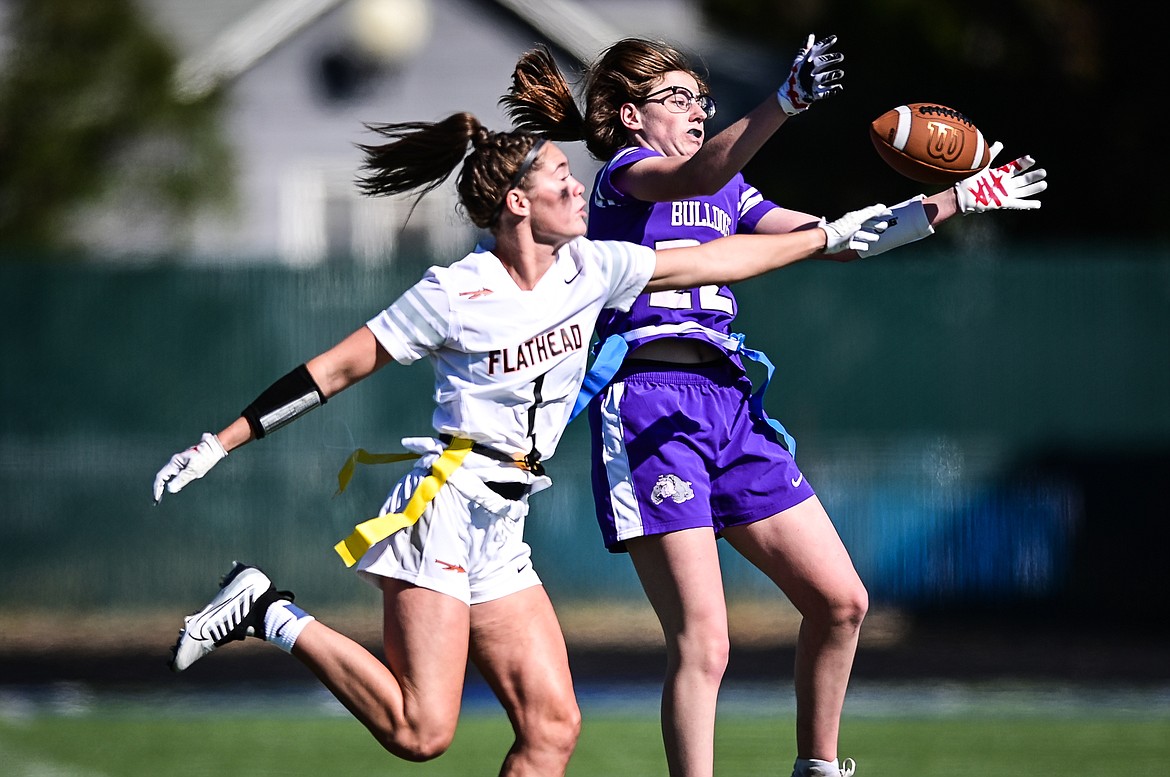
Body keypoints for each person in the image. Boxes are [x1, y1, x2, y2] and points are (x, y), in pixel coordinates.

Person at [151, 111, 894, 777]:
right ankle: (267, 610)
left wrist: (824, 236)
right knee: (421, 730)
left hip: (504, 525)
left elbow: (716, 260)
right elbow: (333, 369)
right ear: (517, 203)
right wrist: (219, 443)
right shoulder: (454, 291)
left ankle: (264, 610)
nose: (580, 192)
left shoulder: (591, 266)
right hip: (442, 509)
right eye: (562, 180)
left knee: (551, 730)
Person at [501, 35, 1047, 777]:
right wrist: (784, 101)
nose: (697, 109)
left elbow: (844, 240)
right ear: (631, 116)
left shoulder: (730, 191)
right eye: (679, 98)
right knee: (706, 640)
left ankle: (817, 767)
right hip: (650, 404)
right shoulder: (626, 177)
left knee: (842, 601)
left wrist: (962, 197)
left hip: (729, 403)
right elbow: (703, 166)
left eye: (703, 98)